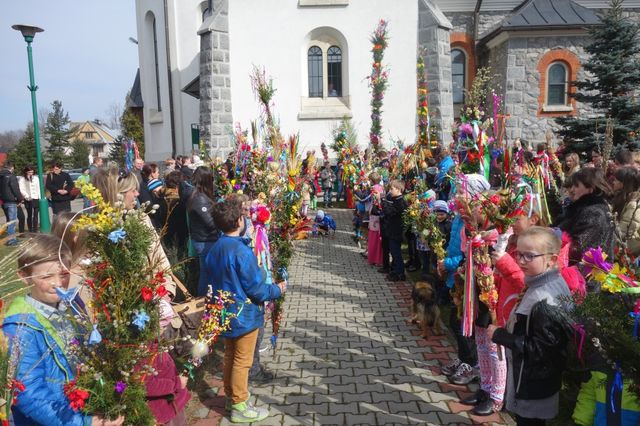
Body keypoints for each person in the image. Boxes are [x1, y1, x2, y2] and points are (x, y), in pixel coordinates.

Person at [2, 234, 124, 426]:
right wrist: (82, 422)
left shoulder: (71, 304)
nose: (58, 283)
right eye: (46, 276)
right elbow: (27, 393)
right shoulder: (20, 327)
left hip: (86, 407)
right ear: (24, 277)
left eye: (64, 274)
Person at [204, 197, 286, 424]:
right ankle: (240, 404)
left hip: (224, 312)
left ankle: (231, 397)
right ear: (240, 220)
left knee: (230, 356)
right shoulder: (241, 252)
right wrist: (277, 290)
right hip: (244, 314)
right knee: (243, 360)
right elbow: (257, 289)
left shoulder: (215, 248)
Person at [489, 226, 573, 426]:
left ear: (551, 260)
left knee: (529, 422)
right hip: (533, 379)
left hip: (532, 383)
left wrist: (502, 336)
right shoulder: (543, 282)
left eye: (529, 256)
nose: (520, 261)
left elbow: (542, 349)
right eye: (518, 254)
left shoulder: (544, 299)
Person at [556, 167, 614, 264]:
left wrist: (551, 241)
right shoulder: (582, 208)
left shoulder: (594, 213)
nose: (572, 189)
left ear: (590, 189)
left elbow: (578, 248)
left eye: (576, 186)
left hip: (585, 274)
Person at [187, 166, 219, 296]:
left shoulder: (202, 196)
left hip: (207, 239)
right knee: (206, 274)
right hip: (205, 241)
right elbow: (210, 223)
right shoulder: (199, 199)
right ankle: (203, 300)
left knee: (208, 273)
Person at [382, 179, 407, 282]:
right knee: (394, 251)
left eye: (392, 189)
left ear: (398, 189)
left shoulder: (400, 201)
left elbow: (389, 212)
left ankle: (400, 272)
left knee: (396, 252)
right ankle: (396, 270)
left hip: (396, 231)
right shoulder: (396, 199)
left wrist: (383, 201)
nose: (390, 191)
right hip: (392, 230)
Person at [612, 166, 640, 255]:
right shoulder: (620, 198)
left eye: (616, 180)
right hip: (617, 244)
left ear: (623, 183)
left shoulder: (633, 203)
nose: (613, 182)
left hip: (627, 249)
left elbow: (624, 231)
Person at [1, 162, 25, 245]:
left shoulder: (1, 176)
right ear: (11, 168)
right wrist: (20, 199)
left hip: (3, 202)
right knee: (12, 222)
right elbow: (15, 189)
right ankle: (11, 241)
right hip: (11, 201)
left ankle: (11, 239)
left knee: (9, 221)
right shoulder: (11, 176)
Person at [17, 165, 41, 233]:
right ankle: (30, 229)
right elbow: (21, 189)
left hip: (36, 198)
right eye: (29, 172)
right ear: (26, 172)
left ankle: (35, 229)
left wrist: (40, 197)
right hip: (28, 199)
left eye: (32, 172)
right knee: (29, 214)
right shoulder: (22, 179)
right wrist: (27, 196)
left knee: (36, 214)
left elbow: (38, 188)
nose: (31, 173)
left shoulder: (36, 178)